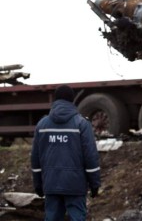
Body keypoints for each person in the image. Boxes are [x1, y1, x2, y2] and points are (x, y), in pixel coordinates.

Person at [31, 85, 101, 221]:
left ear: (55, 100)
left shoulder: (42, 125)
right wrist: (94, 183)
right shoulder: (81, 124)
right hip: (75, 185)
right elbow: (90, 157)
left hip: (51, 184)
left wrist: (38, 183)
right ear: (72, 100)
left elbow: (35, 158)